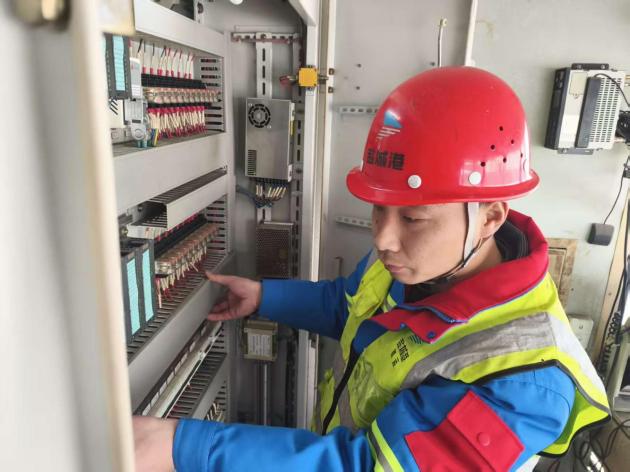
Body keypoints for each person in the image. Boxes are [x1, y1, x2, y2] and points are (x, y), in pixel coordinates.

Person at [133, 67, 610, 471]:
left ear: (490, 218)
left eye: (413, 218)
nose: (383, 238)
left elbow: (368, 466)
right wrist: (266, 297)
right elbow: (352, 308)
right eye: (379, 208)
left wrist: (184, 448)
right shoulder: (419, 264)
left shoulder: (526, 380)